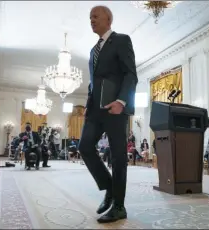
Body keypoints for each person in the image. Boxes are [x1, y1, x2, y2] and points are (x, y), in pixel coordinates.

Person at [78, 5, 138, 223]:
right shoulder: (93, 51)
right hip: (95, 109)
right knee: (84, 146)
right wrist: (88, 103)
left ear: (108, 19)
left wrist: (122, 101)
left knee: (118, 155)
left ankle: (119, 206)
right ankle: (110, 188)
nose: (91, 20)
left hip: (115, 107)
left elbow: (130, 74)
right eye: (90, 17)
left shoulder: (122, 40)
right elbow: (94, 83)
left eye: (95, 16)